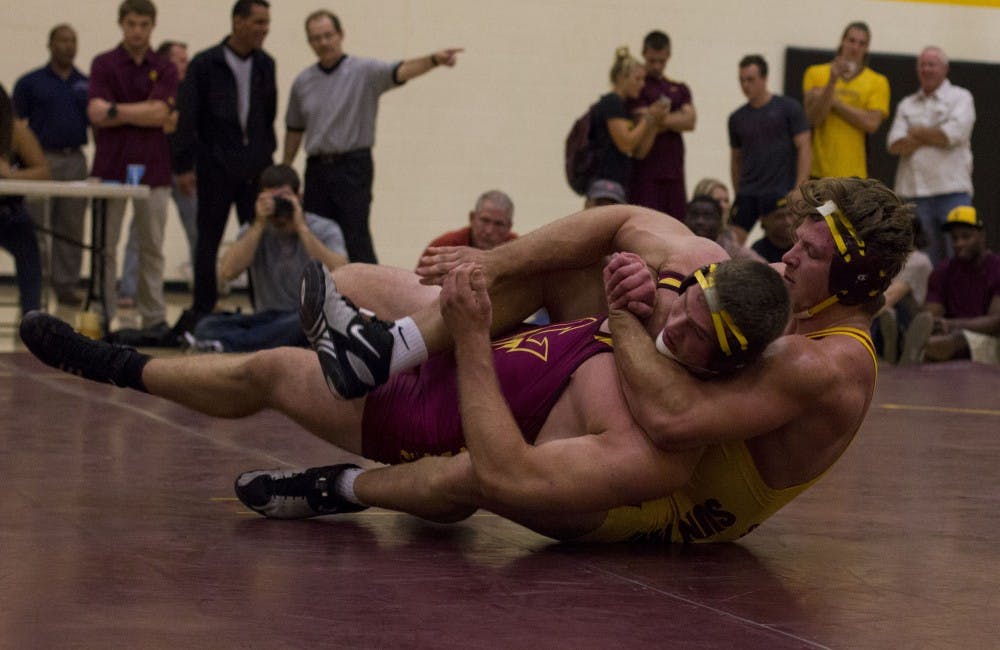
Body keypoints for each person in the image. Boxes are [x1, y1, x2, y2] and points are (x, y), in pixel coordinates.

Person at [20, 178, 912, 544]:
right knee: (394, 277)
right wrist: (496, 269)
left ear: (856, 281)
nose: (791, 262)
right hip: (621, 378)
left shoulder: (826, 363)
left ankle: (336, 482)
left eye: (810, 258)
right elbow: (618, 226)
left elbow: (652, 425)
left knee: (468, 474)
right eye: (791, 250)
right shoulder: (755, 298)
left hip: (663, 498)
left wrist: (636, 321)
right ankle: (394, 344)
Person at [283, 9, 462, 264]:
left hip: (352, 166)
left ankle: (369, 300)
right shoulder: (303, 82)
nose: (323, 43)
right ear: (309, 42)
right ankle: (320, 299)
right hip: (317, 168)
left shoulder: (364, 71)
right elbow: (294, 129)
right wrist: (286, 169)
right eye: (316, 38)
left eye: (328, 35)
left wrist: (434, 60)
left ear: (340, 34)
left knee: (355, 235)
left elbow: (401, 71)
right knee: (317, 236)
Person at [171, 0, 277, 334]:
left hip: (253, 170)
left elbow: (267, 116)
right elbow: (189, 117)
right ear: (238, 22)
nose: (265, 29)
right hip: (214, 167)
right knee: (208, 241)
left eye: (267, 22)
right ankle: (203, 309)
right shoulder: (205, 64)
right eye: (259, 22)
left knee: (258, 239)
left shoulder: (266, 64)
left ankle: (265, 307)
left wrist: (266, 160)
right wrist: (185, 165)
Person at [88, 0, 178, 338]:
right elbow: (95, 112)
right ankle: (102, 313)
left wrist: (117, 110)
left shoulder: (165, 66)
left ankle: (153, 316)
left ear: (153, 26)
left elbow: (161, 112)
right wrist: (145, 111)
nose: (137, 31)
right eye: (131, 24)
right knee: (105, 244)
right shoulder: (104, 63)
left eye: (143, 24)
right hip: (110, 167)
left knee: (152, 245)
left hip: (153, 169)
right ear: (121, 24)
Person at [188, 165, 346, 352]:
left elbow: (340, 271)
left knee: (307, 322)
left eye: (284, 198)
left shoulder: (323, 228)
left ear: (299, 198)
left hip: (305, 316)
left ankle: (237, 344)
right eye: (272, 199)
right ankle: (260, 343)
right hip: (266, 317)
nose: (278, 206)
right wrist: (259, 224)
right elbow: (227, 272)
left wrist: (302, 228)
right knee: (205, 326)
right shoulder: (254, 230)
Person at [12, 24, 90, 307]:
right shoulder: (30, 82)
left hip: (75, 158)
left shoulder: (85, 83)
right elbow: (15, 126)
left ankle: (66, 284)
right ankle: (38, 282)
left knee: (71, 225)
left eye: (73, 40)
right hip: (42, 158)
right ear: (50, 44)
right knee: (37, 223)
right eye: (62, 40)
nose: (68, 46)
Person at [120, 40, 198, 309]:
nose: (185, 65)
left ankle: (202, 287)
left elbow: (191, 134)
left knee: (197, 231)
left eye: (187, 60)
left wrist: (187, 168)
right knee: (139, 232)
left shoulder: (190, 90)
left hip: (183, 172)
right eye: (180, 60)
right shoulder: (154, 90)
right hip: (153, 170)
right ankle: (128, 289)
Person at [886, 46, 975, 266]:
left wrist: (915, 131)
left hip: (953, 192)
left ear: (945, 68)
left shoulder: (961, 97)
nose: (927, 69)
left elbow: (951, 135)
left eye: (932, 64)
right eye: (922, 65)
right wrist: (934, 132)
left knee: (961, 259)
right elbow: (894, 145)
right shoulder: (907, 104)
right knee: (923, 263)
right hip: (914, 195)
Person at [728, 54, 810, 244]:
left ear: (764, 78)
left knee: (787, 240)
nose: (745, 85)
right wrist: (738, 191)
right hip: (748, 192)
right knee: (730, 243)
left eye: (750, 79)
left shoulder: (789, 108)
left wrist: (799, 189)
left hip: (780, 191)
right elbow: (736, 158)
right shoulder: (736, 118)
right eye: (742, 80)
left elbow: (805, 147)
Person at [913, 206, 1000, 364]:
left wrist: (952, 324)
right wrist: (934, 324)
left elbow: (996, 321)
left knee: (955, 339)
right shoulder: (943, 271)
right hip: (950, 335)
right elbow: (931, 314)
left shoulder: (997, 267)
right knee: (934, 338)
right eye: (954, 238)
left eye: (966, 236)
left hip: (991, 340)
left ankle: (912, 352)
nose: (959, 243)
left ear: (982, 235)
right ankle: (913, 350)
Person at [582, 46, 666, 209]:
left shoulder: (622, 106)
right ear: (622, 77)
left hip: (618, 184)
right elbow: (626, 143)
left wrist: (655, 122)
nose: (642, 85)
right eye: (637, 79)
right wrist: (648, 118)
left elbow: (638, 152)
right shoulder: (612, 103)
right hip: (604, 186)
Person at [803, 21, 889, 179]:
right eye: (851, 41)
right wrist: (831, 82)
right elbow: (813, 118)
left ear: (867, 48)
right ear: (842, 41)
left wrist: (834, 102)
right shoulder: (815, 73)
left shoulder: (878, 81)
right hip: (819, 172)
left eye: (861, 43)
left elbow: (871, 124)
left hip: (854, 174)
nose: (855, 47)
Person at [627, 30, 695, 219]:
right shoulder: (637, 87)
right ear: (644, 54)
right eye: (652, 61)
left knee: (676, 225)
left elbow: (690, 121)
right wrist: (675, 119)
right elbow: (638, 120)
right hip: (645, 171)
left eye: (661, 61)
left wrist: (654, 119)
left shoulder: (678, 88)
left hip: (673, 171)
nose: (657, 66)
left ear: (668, 56)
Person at [0, 83, 50, 315]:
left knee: (29, 250)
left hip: (9, 212)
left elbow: (42, 171)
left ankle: (32, 315)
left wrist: (10, 174)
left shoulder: (16, 131)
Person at [875, 214, 932, 365]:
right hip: (886, 312)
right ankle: (888, 353)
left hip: (908, 316)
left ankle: (905, 350)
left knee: (885, 311)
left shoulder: (918, 260)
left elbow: (891, 297)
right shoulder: (889, 258)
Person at [420, 190, 517, 262]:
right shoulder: (444, 246)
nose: (489, 231)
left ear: (509, 227)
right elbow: (418, 286)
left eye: (499, 224)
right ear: (472, 217)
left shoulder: (517, 251)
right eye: (484, 220)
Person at [683, 194, 764, 263]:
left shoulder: (733, 252)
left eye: (707, 216)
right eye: (694, 215)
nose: (700, 221)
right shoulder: (679, 248)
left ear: (719, 221)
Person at [750, 198, 796, 263]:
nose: (788, 222)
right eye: (779, 216)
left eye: (790, 214)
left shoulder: (806, 246)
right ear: (764, 220)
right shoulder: (756, 254)